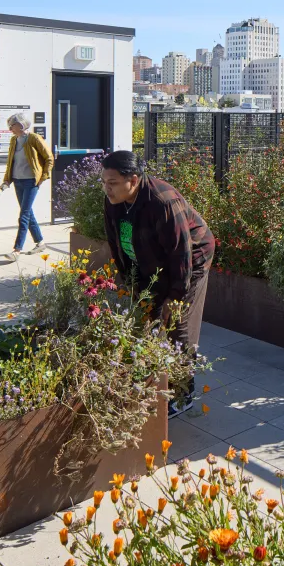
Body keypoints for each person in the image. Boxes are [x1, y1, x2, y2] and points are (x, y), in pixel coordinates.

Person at [100, 151, 214, 418]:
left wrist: (174, 298)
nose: (107, 188)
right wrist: (129, 282)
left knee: (178, 325)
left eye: (113, 182)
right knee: (146, 316)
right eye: (104, 182)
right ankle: (154, 378)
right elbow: (116, 243)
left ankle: (183, 393)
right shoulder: (113, 200)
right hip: (151, 263)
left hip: (191, 261)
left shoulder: (163, 201)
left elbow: (180, 253)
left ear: (134, 180)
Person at [0, 113, 54, 262]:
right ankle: (40, 242)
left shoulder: (34, 138)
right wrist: (6, 181)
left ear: (21, 125)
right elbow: (11, 162)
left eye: (12, 125)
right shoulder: (14, 140)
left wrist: (43, 178)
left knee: (23, 215)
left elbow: (49, 158)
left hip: (31, 182)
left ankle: (16, 250)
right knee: (28, 212)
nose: (10, 128)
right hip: (17, 181)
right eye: (9, 125)